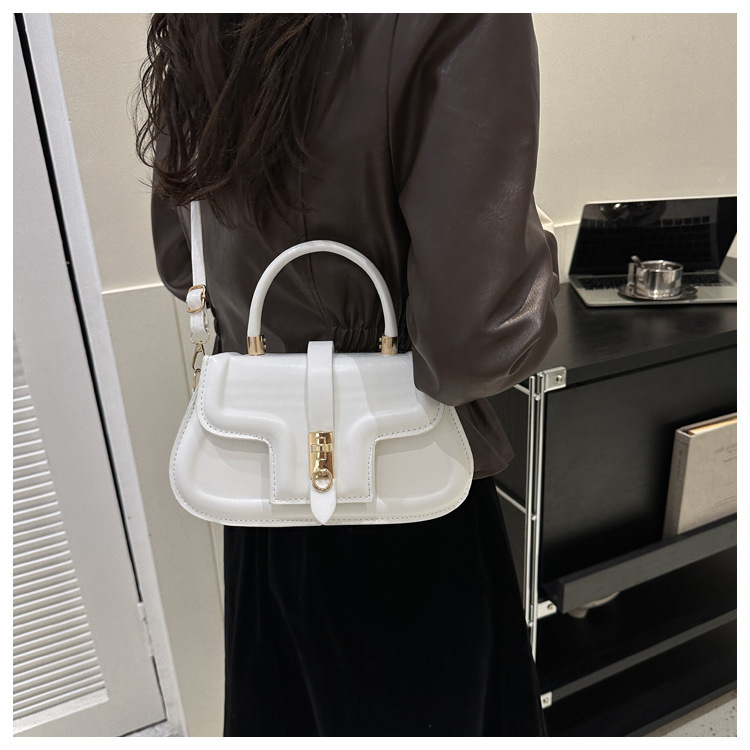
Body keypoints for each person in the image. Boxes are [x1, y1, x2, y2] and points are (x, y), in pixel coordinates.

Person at [137, 13, 559, 737]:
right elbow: (475, 342)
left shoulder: (196, 22)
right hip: (407, 484)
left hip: (265, 483)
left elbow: (184, 267)